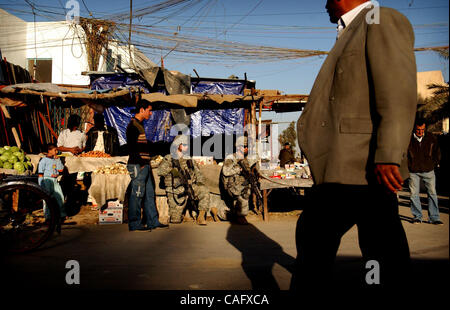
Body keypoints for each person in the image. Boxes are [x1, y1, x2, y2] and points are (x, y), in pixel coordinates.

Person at [292, 0, 417, 288]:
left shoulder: (380, 19)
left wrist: (389, 153)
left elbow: (397, 91)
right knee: (382, 249)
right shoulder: (350, 30)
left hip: (359, 162)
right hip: (349, 166)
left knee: (315, 240)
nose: (324, 3)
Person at [126, 101, 168, 232]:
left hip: (145, 165)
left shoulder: (140, 125)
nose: (150, 113)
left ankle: (153, 221)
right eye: (149, 110)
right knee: (137, 194)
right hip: (139, 165)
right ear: (142, 109)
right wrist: (141, 163)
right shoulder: (133, 126)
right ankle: (134, 223)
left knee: (149, 194)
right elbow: (132, 148)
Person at [157, 135, 217, 225]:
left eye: (187, 144)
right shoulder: (169, 158)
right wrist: (172, 171)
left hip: (190, 187)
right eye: (184, 144)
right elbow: (160, 171)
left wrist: (200, 183)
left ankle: (201, 216)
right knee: (175, 220)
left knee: (204, 190)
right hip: (176, 190)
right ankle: (183, 214)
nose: (187, 146)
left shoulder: (188, 158)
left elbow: (198, 173)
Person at [407, 119, 442, 225]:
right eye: (418, 129)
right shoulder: (408, 138)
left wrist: (435, 163)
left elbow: (437, 152)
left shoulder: (431, 137)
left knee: (432, 193)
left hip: (429, 169)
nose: (420, 132)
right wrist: (408, 166)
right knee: (414, 194)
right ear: (414, 129)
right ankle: (417, 217)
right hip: (413, 170)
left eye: (422, 129)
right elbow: (403, 154)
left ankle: (434, 217)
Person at [221, 136, 258, 225]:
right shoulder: (231, 157)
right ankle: (240, 216)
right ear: (238, 147)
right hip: (231, 185)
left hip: (240, 184)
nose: (246, 148)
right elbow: (225, 172)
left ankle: (236, 214)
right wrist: (238, 170)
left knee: (247, 189)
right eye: (244, 146)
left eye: (247, 147)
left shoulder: (245, 159)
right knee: (245, 191)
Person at [38, 143, 66, 221]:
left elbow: (60, 170)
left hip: (55, 180)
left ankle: (62, 214)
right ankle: (48, 217)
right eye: (55, 150)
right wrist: (41, 184)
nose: (56, 152)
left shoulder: (56, 159)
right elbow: (40, 173)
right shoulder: (43, 160)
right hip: (47, 180)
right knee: (47, 199)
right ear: (49, 150)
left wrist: (58, 160)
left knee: (60, 197)